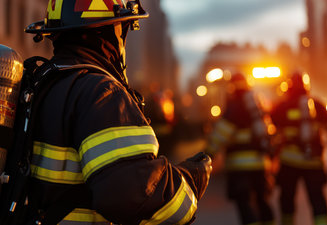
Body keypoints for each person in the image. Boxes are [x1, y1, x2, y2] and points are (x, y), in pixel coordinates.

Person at [22, 0, 212, 224]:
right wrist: (192, 179)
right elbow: (138, 198)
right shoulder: (102, 93)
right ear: (112, 32)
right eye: (124, 29)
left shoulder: (38, 83)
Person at [270, 71, 327, 225]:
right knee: (317, 199)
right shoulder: (317, 105)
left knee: (287, 199)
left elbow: (272, 133)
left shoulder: (281, 107)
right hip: (313, 162)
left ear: (289, 87)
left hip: (289, 163)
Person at [206, 72, 275, 225]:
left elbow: (222, 133)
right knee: (263, 202)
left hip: (239, 167)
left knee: (245, 205)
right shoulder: (257, 103)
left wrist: (208, 152)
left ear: (232, 87)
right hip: (260, 163)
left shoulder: (234, 106)